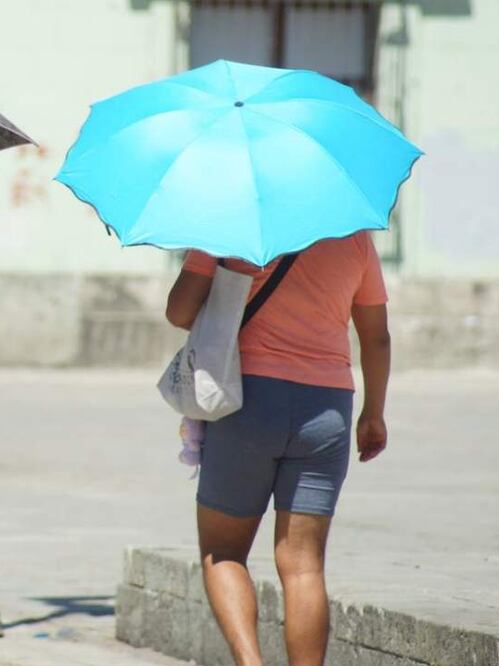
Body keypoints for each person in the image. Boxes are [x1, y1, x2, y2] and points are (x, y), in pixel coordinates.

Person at [165, 233, 391, 666]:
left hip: (247, 402)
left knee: (224, 551)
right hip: (328, 409)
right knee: (305, 566)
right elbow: (376, 336)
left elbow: (179, 313)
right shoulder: (354, 237)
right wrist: (373, 413)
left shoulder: (227, 227)